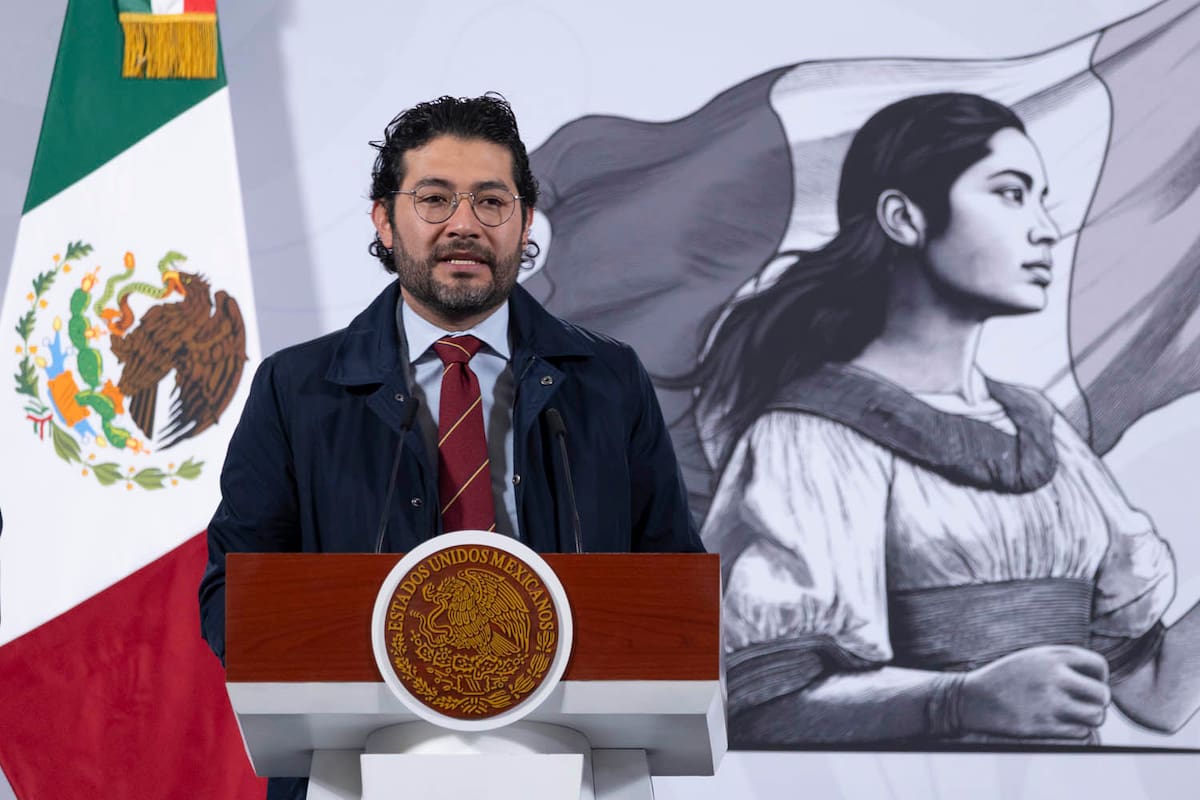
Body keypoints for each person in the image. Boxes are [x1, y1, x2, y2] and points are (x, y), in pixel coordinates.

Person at [198, 93, 701, 798]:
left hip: (575, 761)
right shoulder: (298, 388)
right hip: (356, 768)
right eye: (434, 198)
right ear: (383, 218)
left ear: (525, 221)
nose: (464, 224)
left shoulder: (608, 381)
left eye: (491, 202)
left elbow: (670, 585)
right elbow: (233, 595)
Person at [694, 92, 1200, 747]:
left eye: (1042, 198)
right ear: (904, 218)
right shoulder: (811, 437)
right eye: (1011, 193)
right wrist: (959, 702)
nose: (1045, 228)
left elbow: (1155, 693)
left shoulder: (1040, 429)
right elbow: (761, 703)